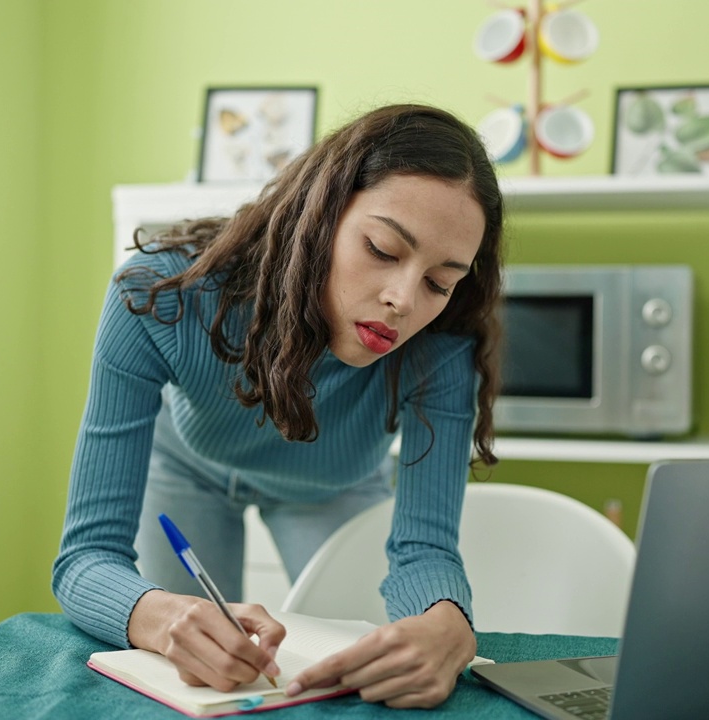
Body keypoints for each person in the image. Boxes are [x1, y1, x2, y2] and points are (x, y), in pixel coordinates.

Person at [52, 103, 505, 709]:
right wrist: (158, 616)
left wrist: (449, 619)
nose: (403, 300)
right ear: (320, 214)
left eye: (439, 283)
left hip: (334, 487)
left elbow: (424, 550)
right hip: (187, 469)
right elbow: (86, 560)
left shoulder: (441, 347)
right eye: (381, 248)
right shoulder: (158, 295)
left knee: (360, 674)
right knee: (191, 674)